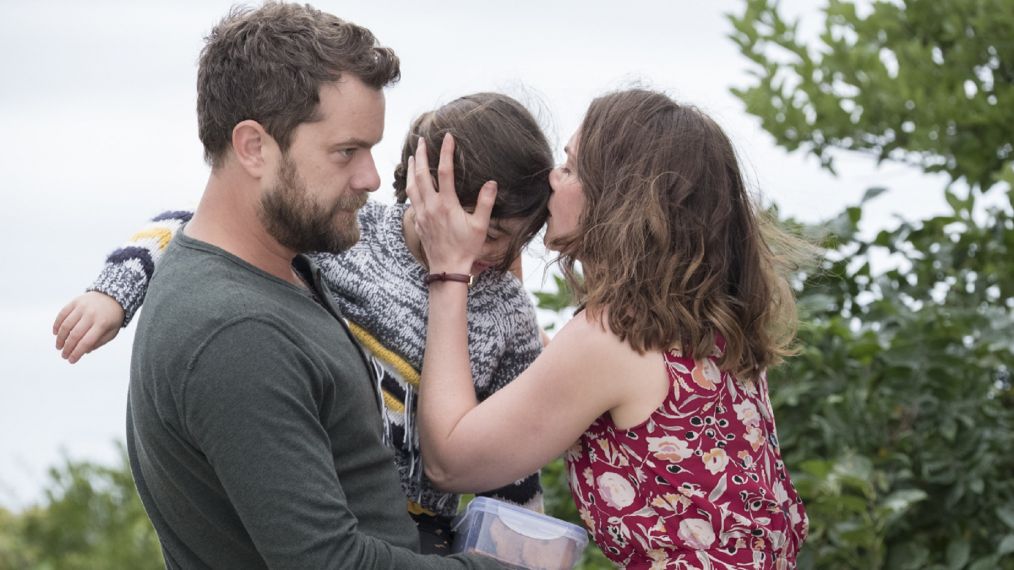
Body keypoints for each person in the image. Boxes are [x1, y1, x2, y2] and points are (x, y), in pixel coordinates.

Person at [55, 3, 509, 568]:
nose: (370, 178)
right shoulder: (237, 332)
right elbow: (327, 562)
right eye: (347, 151)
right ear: (253, 147)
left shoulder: (285, 266)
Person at [405, 89, 811, 568]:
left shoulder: (612, 336)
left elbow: (451, 461)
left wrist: (449, 269)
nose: (551, 182)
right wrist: (502, 248)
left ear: (619, 199)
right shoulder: (703, 330)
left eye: (571, 168)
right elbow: (546, 380)